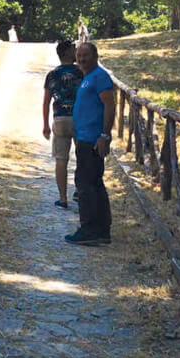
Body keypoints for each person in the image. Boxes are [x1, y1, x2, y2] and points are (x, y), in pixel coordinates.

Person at [66, 41, 116, 245]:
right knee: (94, 183)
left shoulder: (100, 77)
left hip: (93, 140)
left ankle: (89, 229)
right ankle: (102, 230)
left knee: (85, 184)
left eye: (85, 55)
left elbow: (109, 105)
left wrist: (104, 135)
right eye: (79, 56)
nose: (82, 59)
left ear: (95, 56)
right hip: (85, 138)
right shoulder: (88, 77)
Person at [42, 40, 82, 209]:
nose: (77, 53)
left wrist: (45, 125)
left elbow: (45, 102)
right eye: (74, 50)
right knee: (82, 157)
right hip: (80, 119)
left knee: (61, 160)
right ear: (67, 53)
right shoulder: (81, 73)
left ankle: (63, 198)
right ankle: (79, 191)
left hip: (60, 119)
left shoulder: (52, 75)